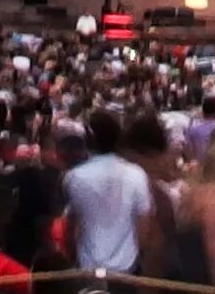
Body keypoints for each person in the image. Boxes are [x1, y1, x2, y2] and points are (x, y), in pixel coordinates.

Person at [60, 111, 152, 278]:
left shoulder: (74, 177)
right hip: (127, 270)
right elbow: (144, 229)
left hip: (88, 270)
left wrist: (72, 259)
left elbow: (71, 227)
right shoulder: (137, 174)